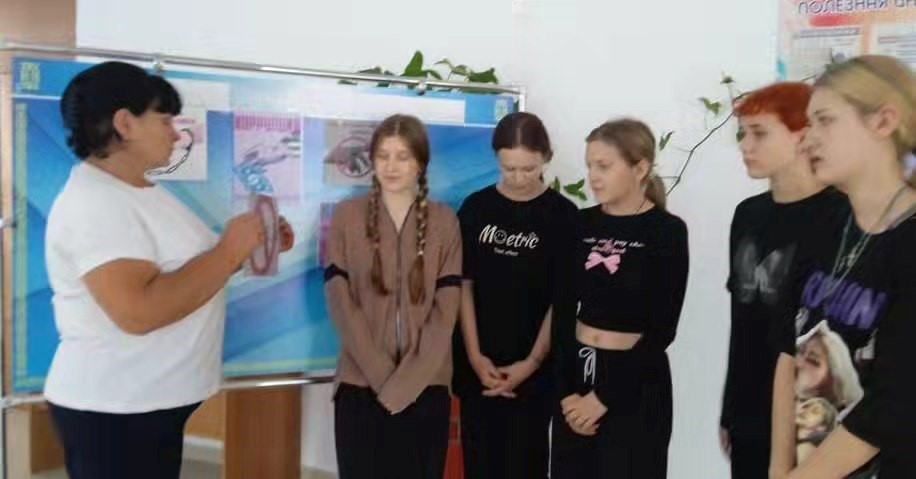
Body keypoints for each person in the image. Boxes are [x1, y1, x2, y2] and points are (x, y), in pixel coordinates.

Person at [44, 61, 294, 479]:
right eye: (165, 120)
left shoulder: (141, 191)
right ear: (125, 123)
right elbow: (138, 311)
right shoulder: (95, 203)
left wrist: (247, 249)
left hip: (148, 405)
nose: (176, 134)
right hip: (115, 409)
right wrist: (229, 250)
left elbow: (184, 276)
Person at [769, 55, 916, 479]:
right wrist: (780, 469)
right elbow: (787, 352)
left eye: (825, 121)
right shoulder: (824, 223)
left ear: (883, 121)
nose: (807, 139)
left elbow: (893, 404)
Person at [324, 114, 463, 479]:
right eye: (383, 156)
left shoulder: (445, 222)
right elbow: (341, 302)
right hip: (360, 386)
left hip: (425, 388)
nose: (391, 166)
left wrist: (406, 385)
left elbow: (445, 312)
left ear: (420, 163)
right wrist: (383, 377)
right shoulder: (347, 216)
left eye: (403, 156)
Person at [718, 82, 846, 478]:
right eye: (743, 133)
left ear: (803, 136)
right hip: (749, 409)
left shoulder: (843, 217)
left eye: (759, 133)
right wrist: (730, 408)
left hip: (814, 412)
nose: (746, 146)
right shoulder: (748, 215)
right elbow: (742, 317)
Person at [551, 118, 689, 478]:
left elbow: (662, 330)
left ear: (640, 168)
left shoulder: (667, 232)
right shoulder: (579, 223)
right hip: (578, 376)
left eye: (604, 166)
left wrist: (602, 399)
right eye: (590, 166)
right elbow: (561, 311)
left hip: (635, 383)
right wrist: (567, 394)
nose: (593, 177)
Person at [452, 112, 578, 479]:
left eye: (529, 169)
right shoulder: (476, 208)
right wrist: (475, 357)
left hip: (534, 369)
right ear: (496, 159)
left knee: (527, 462)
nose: (519, 178)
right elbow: (464, 284)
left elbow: (562, 299)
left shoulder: (563, 216)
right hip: (480, 366)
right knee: (479, 461)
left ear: (545, 158)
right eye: (509, 169)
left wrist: (531, 363)